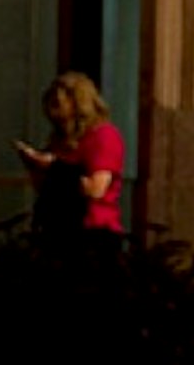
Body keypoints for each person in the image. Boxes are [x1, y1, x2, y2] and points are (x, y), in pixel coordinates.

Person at [13, 73, 125, 258]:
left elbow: (96, 189)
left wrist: (55, 167)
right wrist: (34, 166)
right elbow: (44, 187)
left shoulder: (103, 136)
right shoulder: (61, 141)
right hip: (54, 229)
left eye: (59, 104)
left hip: (91, 233)